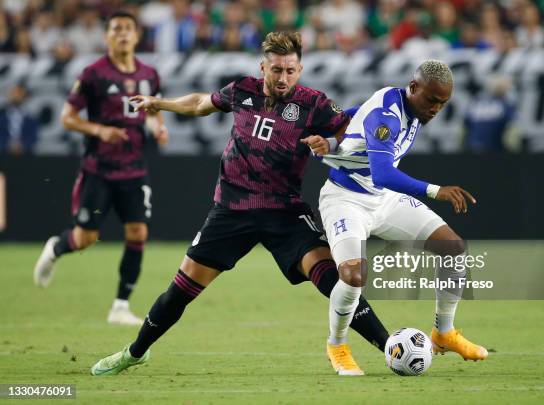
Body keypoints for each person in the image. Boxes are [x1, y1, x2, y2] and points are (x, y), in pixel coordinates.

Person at [90, 31, 389, 376]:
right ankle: (134, 353)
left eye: (291, 71)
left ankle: (388, 346)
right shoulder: (242, 89)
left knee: (333, 279)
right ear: (263, 67)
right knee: (180, 292)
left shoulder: (314, 103)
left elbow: (351, 129)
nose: (283, 78)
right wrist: (162, 104)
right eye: (276, 70)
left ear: (300, 69)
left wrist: (332, 144)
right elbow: (201, 104)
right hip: (231, 210)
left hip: (285, 210)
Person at [318, 60, 488, 375]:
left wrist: (335, 137)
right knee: (354, 276)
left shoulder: (408, 106)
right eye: (431, 100)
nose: (436, 109)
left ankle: (444, 333)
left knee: (453, 248)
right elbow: (382, 174)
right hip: (345, 201)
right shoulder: (387, 117)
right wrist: (436, 190)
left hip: (383, 201)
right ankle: (337, 345)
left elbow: (358, 112)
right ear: (413, 88)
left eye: (442, 103)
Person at [33, 11, 169, 326]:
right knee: (85, 239)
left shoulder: (150, 74)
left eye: (128, 29)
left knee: (138, 232)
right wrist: (99, 130)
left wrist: (157, 126)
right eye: (116, 29)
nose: (122, 34)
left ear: (136, 36)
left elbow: (151, 111)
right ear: (107, 36)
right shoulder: (94, 74)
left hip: (134, 170)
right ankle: (56, 247)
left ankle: (120, 306)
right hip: (99, 170)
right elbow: (67, 117)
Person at [0, 83, 39, 155]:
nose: (16, 97)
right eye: (14, 94)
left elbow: (33, 137)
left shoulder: (31, 118)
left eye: (19, 95)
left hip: (25, 154)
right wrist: (7, 145)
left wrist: (22, 146)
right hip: (3, 154)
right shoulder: (2, 116)